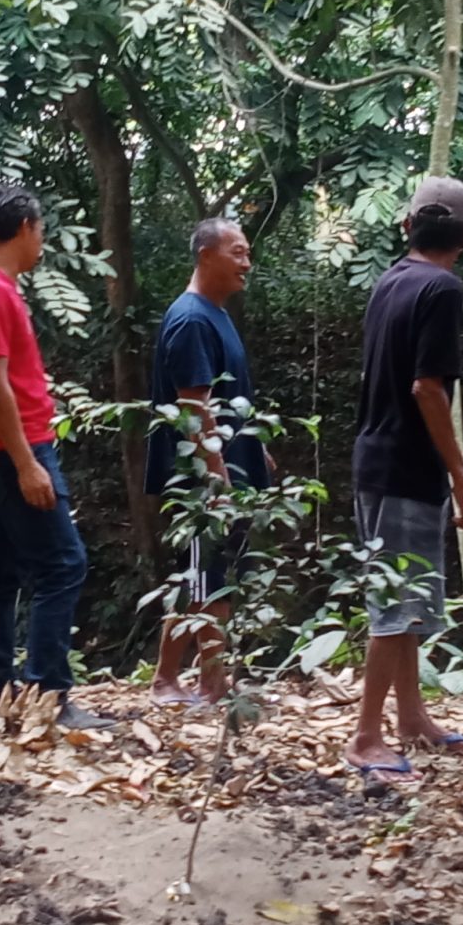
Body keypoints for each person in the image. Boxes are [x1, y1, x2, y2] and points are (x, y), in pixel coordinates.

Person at [0, 183, 113, 730]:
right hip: (6, 451)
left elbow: (2, 377)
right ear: (23, 229)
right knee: (63, 564)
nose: (42, 241)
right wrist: (26, 462)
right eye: (41, 230)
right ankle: (49, 693)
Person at [348, 176, 463, 776]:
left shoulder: (390, 281)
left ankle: (412, 720)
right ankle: (364, 737)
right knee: (398, 608)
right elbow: (428, 388)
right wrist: (462, 477)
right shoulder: (443, 288)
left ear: (406, 228)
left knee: (401, 602)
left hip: (373, 460)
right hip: (407, 465)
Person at [146, 215, 266, 707]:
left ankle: (168, 680)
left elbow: (223, 396)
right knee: (207, 577)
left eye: (247, 252)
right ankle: (211, 685)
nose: (247, 261)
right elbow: (194, 407)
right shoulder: (192, 318)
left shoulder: (214, 313)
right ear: (205, 255)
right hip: (201, 482)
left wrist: (256, 448)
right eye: (237, 252)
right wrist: (217, 481)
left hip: (222, 469)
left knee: (200, 575)